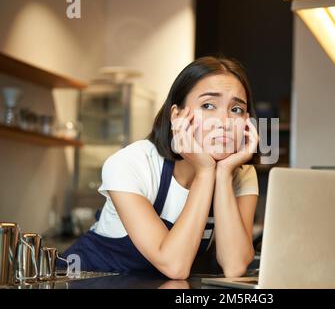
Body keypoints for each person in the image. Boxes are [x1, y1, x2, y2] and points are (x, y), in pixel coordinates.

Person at [61, 56, 260, 279]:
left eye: (236, 110)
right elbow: (175, 266)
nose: (224, 121)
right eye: (208, 105)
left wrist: (222, 174)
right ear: (177, 115)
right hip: (87, 281)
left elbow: (235, 266)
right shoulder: (131, 163)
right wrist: (205, 172)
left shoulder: (240, 173)